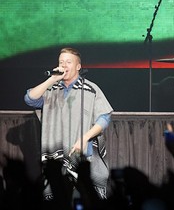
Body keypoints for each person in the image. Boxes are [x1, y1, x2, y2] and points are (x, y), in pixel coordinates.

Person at [24, 47, 113, 204]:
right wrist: (52, 79)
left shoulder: (91, 89)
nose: (64, 65)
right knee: (56, 200)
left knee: (90, 198)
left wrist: (85, 138)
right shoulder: (51, 89)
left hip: (83, 155)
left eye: (68, 62)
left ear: (78, 66)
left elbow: (104, 117)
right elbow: (30, 99)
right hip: (56, 155)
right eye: (61, 62)